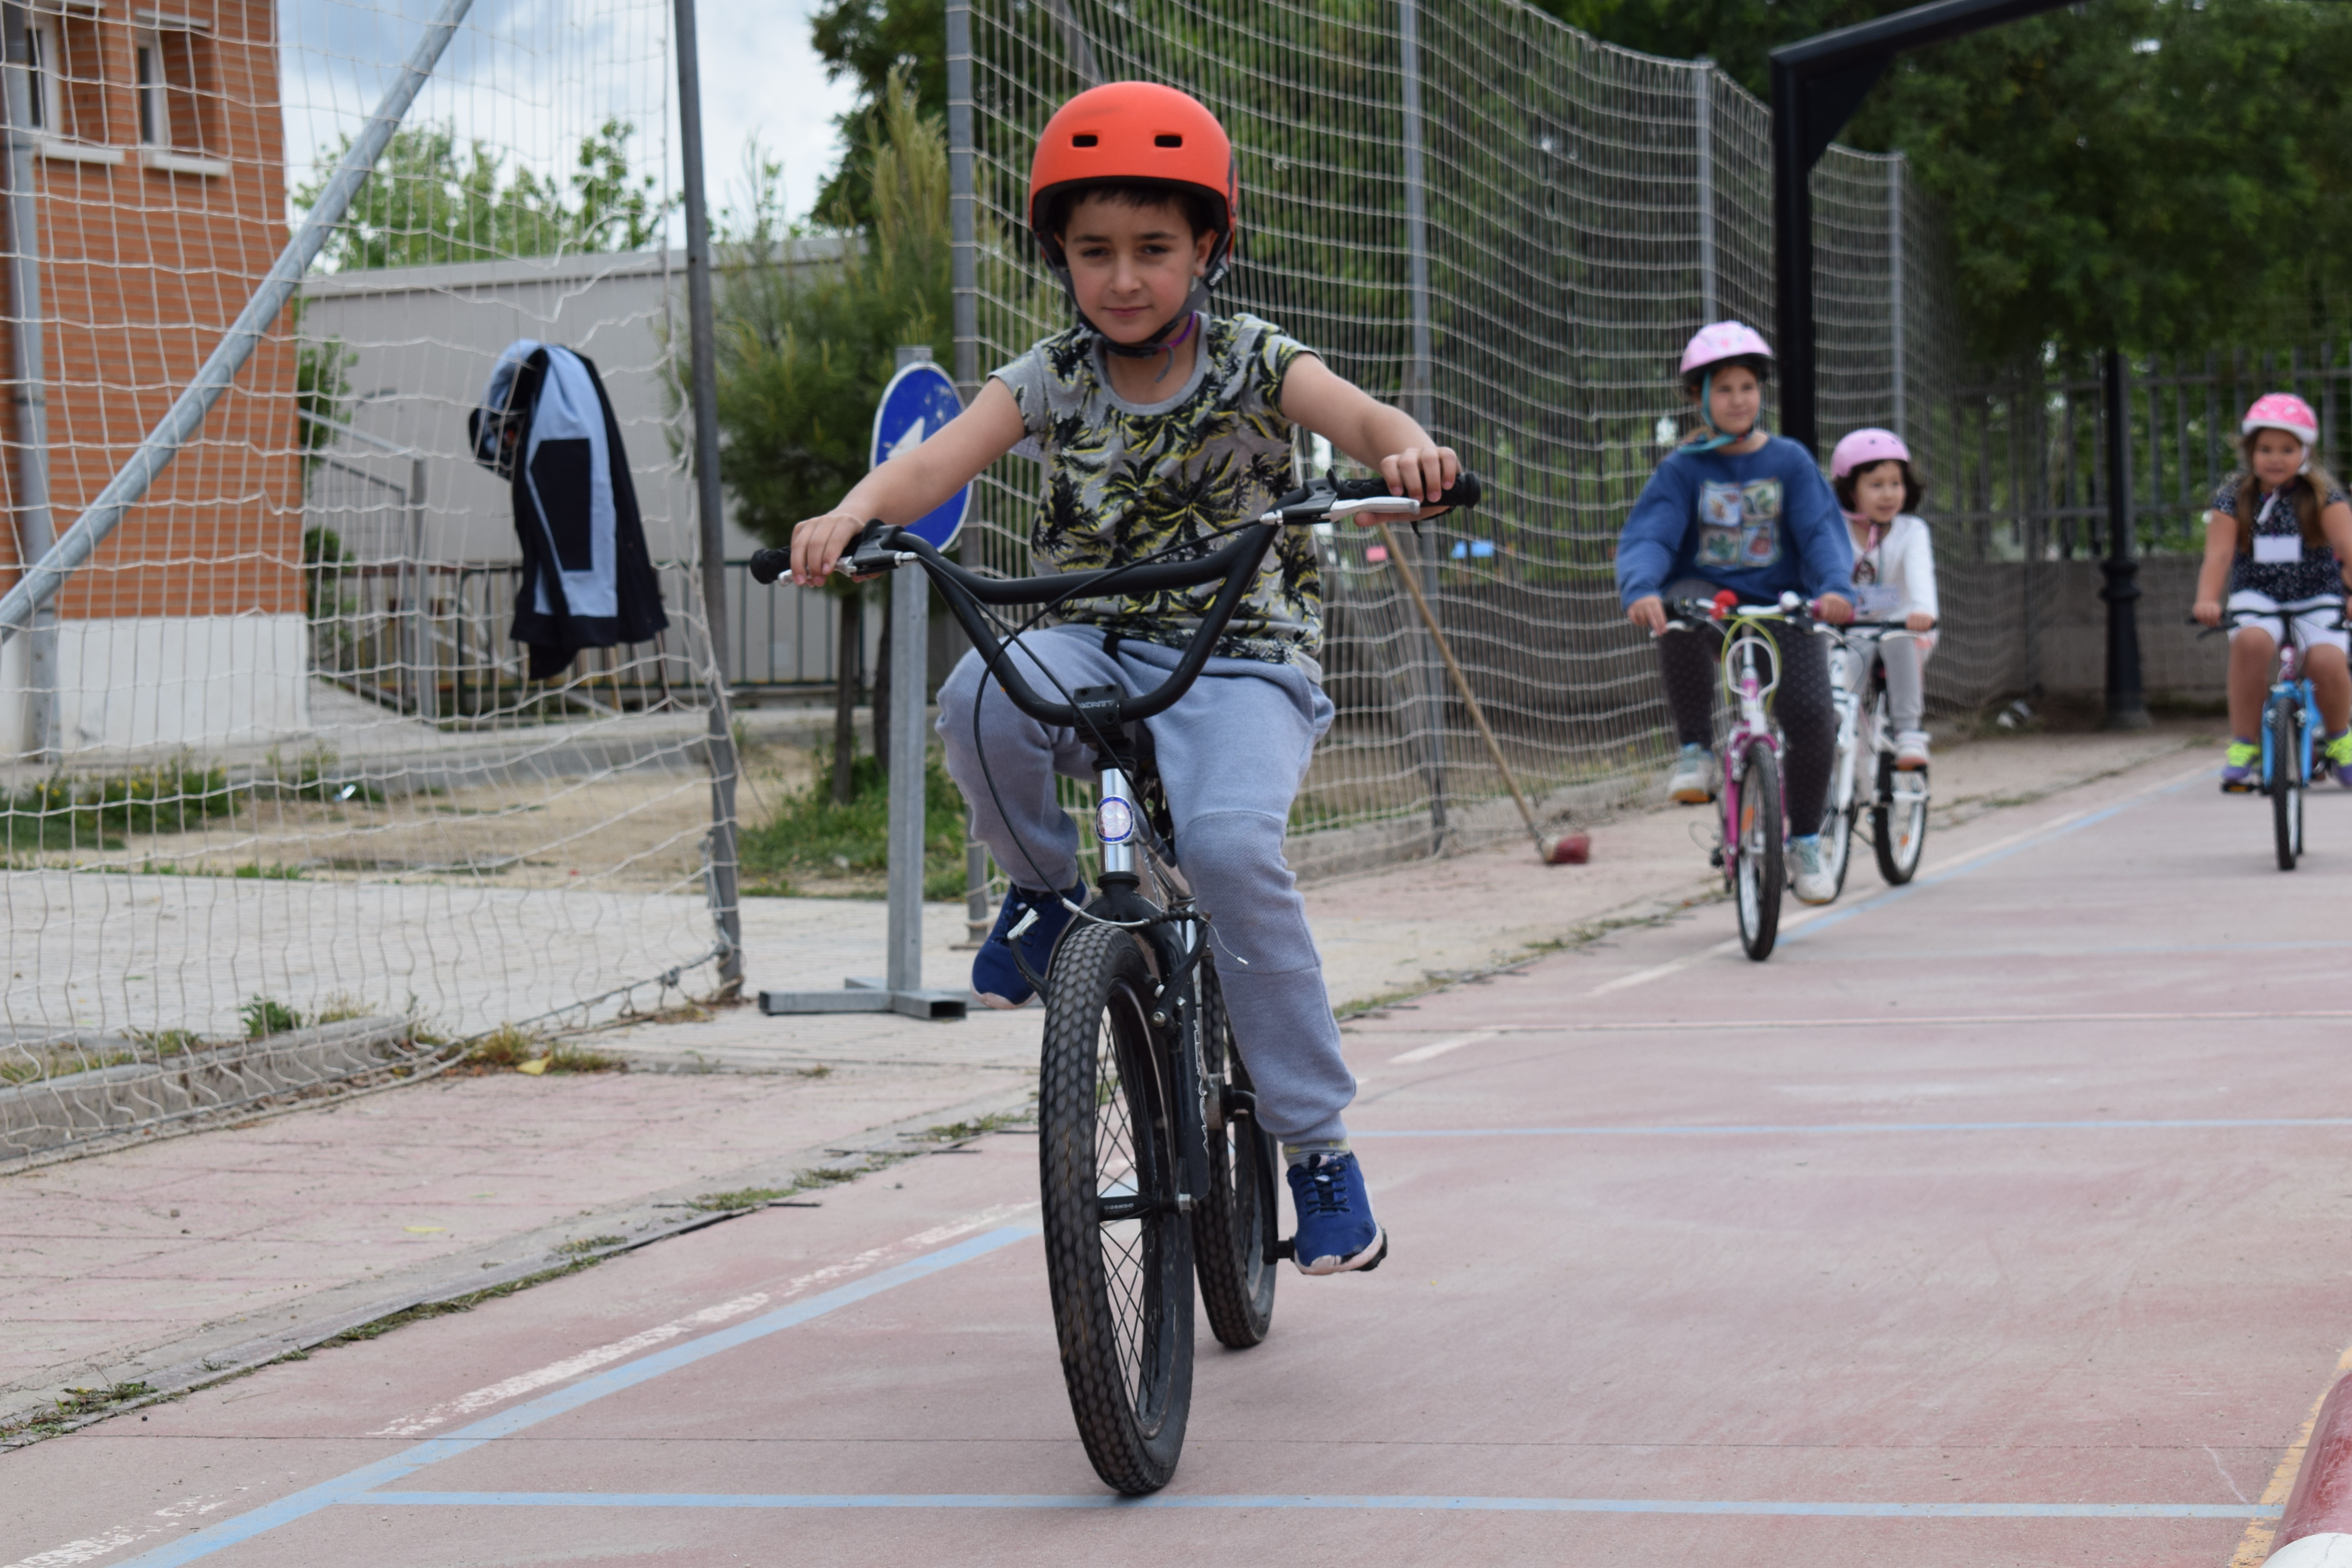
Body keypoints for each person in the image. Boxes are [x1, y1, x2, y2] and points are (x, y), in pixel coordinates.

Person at [785, 82, 1459, 1276]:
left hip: (1239, 655)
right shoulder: (1049, 375)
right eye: (1094, 251)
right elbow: (932, 464)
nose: (1125, 277)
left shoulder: (1253, 358)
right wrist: (852, 512)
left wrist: (1404, 451)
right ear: (1059, 257)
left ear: (1206, 248)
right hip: (1089, 635)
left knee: (1230, 851)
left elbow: (1358, 418)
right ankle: (1044, 894)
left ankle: (1318, 1150)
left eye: (1154, 248)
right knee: (976, 696)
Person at [1616, 322, 1856, 904]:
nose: (1738, 399)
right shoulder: (1683, 468)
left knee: (1812, 716)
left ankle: (1805, 842)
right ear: (1699, 397)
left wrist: (1834, 588)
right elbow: (1653, 534)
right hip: (1714, 604)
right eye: (1723, 389)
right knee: (1677, 609)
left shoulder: (1789, 461)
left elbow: (1820, 532)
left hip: (1781, 605)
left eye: (1748, 387)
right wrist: (1641, 588)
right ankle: (1696, 751)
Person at [2190, 392, 2352, 790]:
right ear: (2250, 452)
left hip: (2317, 596)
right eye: (2265, 449)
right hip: (2257, 596)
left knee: (2327, 660)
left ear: (2305, 452)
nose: (2275, 458)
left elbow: (2349, 551)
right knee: (2251, 643)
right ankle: (2244, 744)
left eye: (2287, 449)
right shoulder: (2234, 498)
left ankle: (2340, 741)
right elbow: (2219, 556)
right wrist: (2208, 599)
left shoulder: (2325, 498)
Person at [1828, 428, 1939, 770]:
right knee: (1837, 693)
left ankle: (1909, 731)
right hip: (1850, 632)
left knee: (1898, 639)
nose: (1889, 494)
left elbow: (1921, 578)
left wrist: (1923, 610)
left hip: (1904, 628)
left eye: (1896, 483)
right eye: (1876, 485)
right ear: (1851, 490)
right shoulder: (1835, 530)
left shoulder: (1912, 531)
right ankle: (1841, 745)